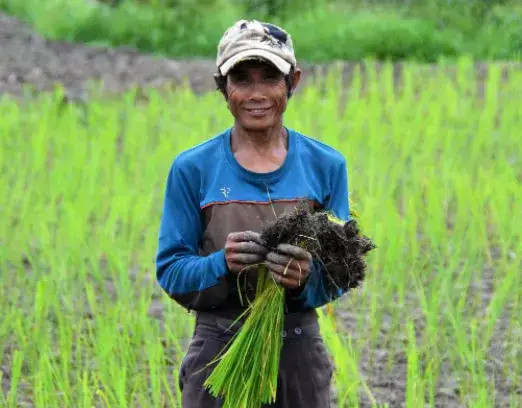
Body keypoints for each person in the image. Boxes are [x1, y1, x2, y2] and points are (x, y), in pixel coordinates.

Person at [156, 19, 350, 408]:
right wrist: (220, 263)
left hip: (297, 349)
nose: (256, 94)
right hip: (218, 346)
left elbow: (343, 270)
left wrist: (304, 278)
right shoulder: (193, 168)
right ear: (222, 87)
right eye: (242, 79)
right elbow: (171, 269)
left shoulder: (325, 165)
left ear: (293, 81)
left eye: (270, 78)